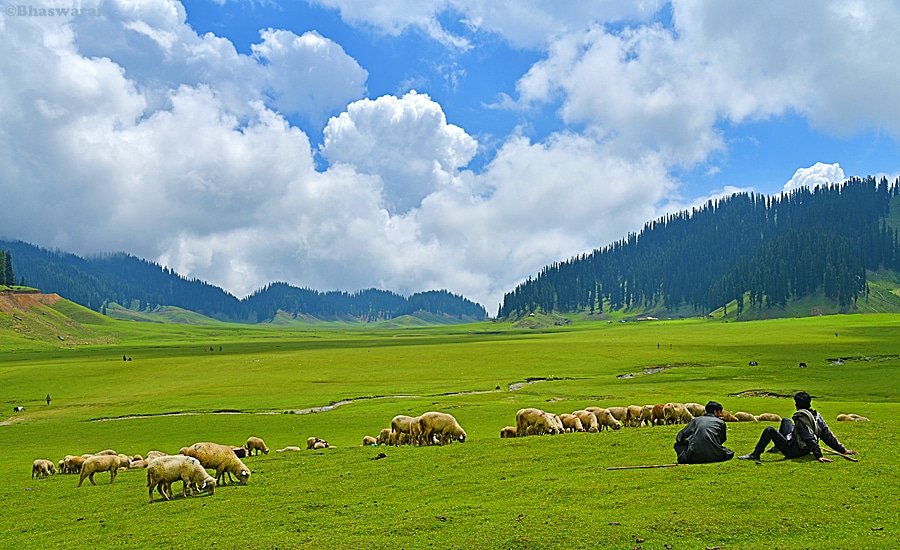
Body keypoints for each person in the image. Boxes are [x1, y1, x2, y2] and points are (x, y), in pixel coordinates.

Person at [738, 391, 856, 462]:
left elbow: (808, 437)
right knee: (786, 421)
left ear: (796, 405)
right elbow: (827, 435)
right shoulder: (816, 416)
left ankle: (755, 454)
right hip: (805, 448)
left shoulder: (801, 418)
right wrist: (842, 450)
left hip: (794, 451)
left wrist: (818, 456)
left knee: (769, 430)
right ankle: (777, 448)